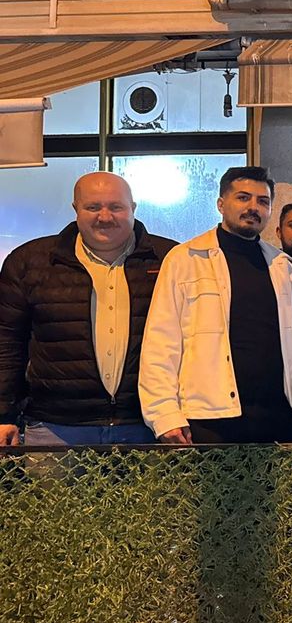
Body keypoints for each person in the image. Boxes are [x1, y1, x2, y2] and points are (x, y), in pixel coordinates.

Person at [0, 172, 175, 446]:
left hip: (148, 427)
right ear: (76, 209)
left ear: (133, 208)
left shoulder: (170, 261)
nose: (105, 217)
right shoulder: (29, 262)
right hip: (55, 428)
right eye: (93, 207)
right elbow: (7, 342)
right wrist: (4, 414)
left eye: (116, 207)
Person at [140, 166, 292, 444]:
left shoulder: (282, 266)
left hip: (277, 416)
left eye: (262, 201)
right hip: (209, 418)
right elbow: (160, 342)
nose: (253, 207)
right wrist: (164, 414)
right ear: (221, 204)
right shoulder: (184, 259)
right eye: (243, 198)